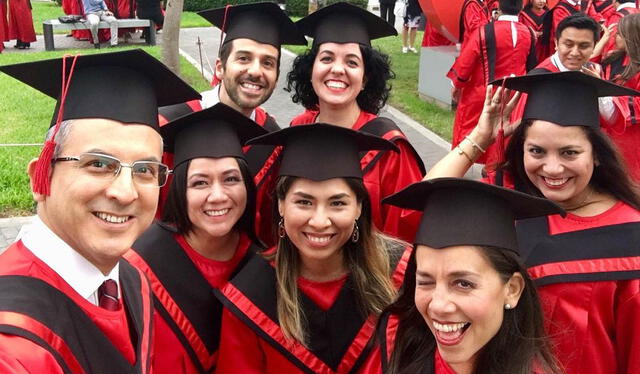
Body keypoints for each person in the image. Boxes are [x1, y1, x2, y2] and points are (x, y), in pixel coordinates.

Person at [0, 49, 201, 373]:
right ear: (41, 177)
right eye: (98, 164)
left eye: (145, 170)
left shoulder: (131, 280)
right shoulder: (12, 346)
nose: (125, 192)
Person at [426, 71, 640, 374]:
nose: (552, 168)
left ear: (597, 155)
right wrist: (478, 138)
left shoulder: (630, 237)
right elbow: (423, 206)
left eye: (570, 152)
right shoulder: (505, 200)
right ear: (521, 150)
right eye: (536, 151)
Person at [214, 123, 412, 374]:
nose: (320, 221)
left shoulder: (403, 274)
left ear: (359, 207)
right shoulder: (250, 295)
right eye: (304, 202)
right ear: (281, 205)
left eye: (337, 203)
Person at [362, 178, 564, 374]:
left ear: (512, 289)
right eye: (425, 281)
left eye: (463, 284)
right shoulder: (396, 348)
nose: (438, 306)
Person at [125, 103, 267, 374]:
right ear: (180, 189)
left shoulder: (263, 266)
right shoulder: (138, 265)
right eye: (200, 183)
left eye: (231, 179)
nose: (218, 196)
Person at [287, 2, 426, 244]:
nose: (338, 69)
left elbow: (405, 237)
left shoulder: (390, 148)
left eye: (352, 62)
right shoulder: (298, 129)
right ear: (311, 71)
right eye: (327, 58)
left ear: (365, 79)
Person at [196, 3, 307, 245]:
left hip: (247, 271)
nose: (255, 71)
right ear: (220, 67)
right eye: (244, 58)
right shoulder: (175, 122)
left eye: (268, 63)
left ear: (276, 76)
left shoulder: (272, 138)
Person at [448, 0, 537, 165]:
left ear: (499, 7)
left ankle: (459, 165)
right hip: (514, 95)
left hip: (484, 92)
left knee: (470, 129)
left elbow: (467, 59)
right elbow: (532, 67)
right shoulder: (529, 33)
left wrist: (457, 84)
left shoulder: (484, 31)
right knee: (505, 132)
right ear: (522, 7)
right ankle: (495, 166)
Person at [600, 13, 640, 181]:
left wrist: (610, 102)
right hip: (606, 133)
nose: (615, 36)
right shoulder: (612, 59)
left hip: (631, 137)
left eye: (619, 33)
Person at [539, 0, 603, 60]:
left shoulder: (586, 3)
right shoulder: (560, 9)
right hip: (568, 46)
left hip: (584, 42)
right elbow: (563, 31)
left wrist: (599, 24)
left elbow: (596, 18)